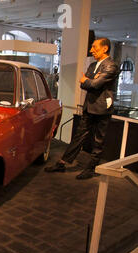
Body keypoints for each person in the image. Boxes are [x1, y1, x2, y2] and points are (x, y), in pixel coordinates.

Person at [45, 37, 119, 180]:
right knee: (79, 136)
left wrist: (89, 81)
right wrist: (89, 80)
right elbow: (84, 83)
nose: (91, 50)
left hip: (102, 108)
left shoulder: (111, 66)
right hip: (89, 106)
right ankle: (63, 163)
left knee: (99, 140)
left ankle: (91, 168)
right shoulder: (93, 66)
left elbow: (94, 85)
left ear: (105, 48)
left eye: (95, 47)